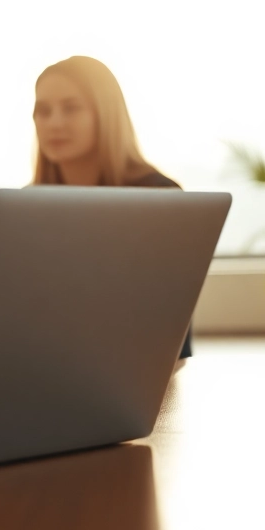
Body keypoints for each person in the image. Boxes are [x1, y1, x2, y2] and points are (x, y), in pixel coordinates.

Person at [30, 55, 192, 358]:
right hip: (45, 364)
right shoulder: (23, 209)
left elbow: (168, 324)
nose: (54, 123)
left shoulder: (160, 198)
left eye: (71, 107)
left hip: (143, 370)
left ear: (105, 114)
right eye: (43, 110)